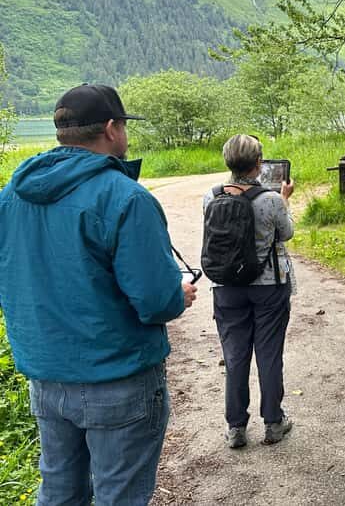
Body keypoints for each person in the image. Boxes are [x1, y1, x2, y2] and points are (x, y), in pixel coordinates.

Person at [0, 84, 197, 505]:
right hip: (117, 378)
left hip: (45, 377)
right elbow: (157, 301)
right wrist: (179, 294)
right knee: (119, 496)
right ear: (111, 129)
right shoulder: (125, 197)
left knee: (58, 492)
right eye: (123, 126)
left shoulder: (11, 197)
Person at [203, 134, 296, 448]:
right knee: (269, 355)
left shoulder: (211, 196)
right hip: (268, 285)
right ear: (259, 164)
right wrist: (285, 199)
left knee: (235, 357)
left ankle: (236, 428)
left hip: (227, 286)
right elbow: (287, 233)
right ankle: (273, 422)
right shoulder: (269, 199)